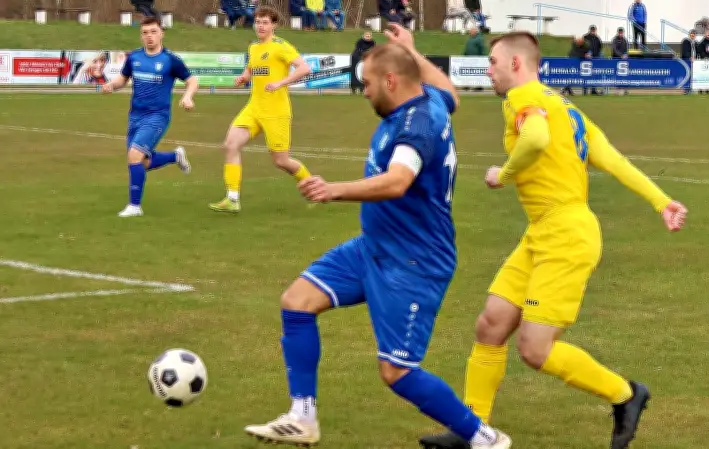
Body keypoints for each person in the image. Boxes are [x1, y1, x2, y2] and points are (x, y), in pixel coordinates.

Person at [242, 24, 511, 449]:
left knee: (397, 372)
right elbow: (451, 92)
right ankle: (302, 416)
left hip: (414, 260)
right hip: (374, 247)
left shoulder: (415, 127)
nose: (363, 91)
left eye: (366, 83)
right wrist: (411, 51)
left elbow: (398, 181)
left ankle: (485, 438)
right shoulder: (431, 100)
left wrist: (334, 190)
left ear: (390, 81)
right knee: (297, 301)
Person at [419, 31, 687, 449]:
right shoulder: (565, 106)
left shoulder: (523, 98)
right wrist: (661, 201)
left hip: (566, 235)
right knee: (491, 325)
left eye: (492, 62)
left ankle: (626, 395)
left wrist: (503, 175)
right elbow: (610, 157)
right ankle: (473, 430)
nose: (488, 70)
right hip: (543, 230)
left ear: (514, 64)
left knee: (534, 349)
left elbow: (536, 139)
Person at [209, 7, 312, 214]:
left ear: (274, 25)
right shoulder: (254, 47)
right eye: (257, 22)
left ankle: (313, 186)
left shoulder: (281, 46)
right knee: (230, 144)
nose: (260, 26)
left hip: (276, 111)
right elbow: (251, 68)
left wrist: (280, 83)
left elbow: (304, 68)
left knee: (281, 161)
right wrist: (244, 77)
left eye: (265, 22)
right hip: (254, 108)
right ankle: (232, 199)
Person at [101, 17, 197, 218]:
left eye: (153, 32)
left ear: (162, 33)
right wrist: (112, 85)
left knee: (134, 156)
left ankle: (135, 206)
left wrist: (188, 96)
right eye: (145, 33)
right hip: (135, 116)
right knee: (141, 163)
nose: (149, 36)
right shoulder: (134, 57)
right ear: (141, 35)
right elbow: (123, 78)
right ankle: (175, 156)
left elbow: (192, 79)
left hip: (157, 116)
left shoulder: (170, 59)